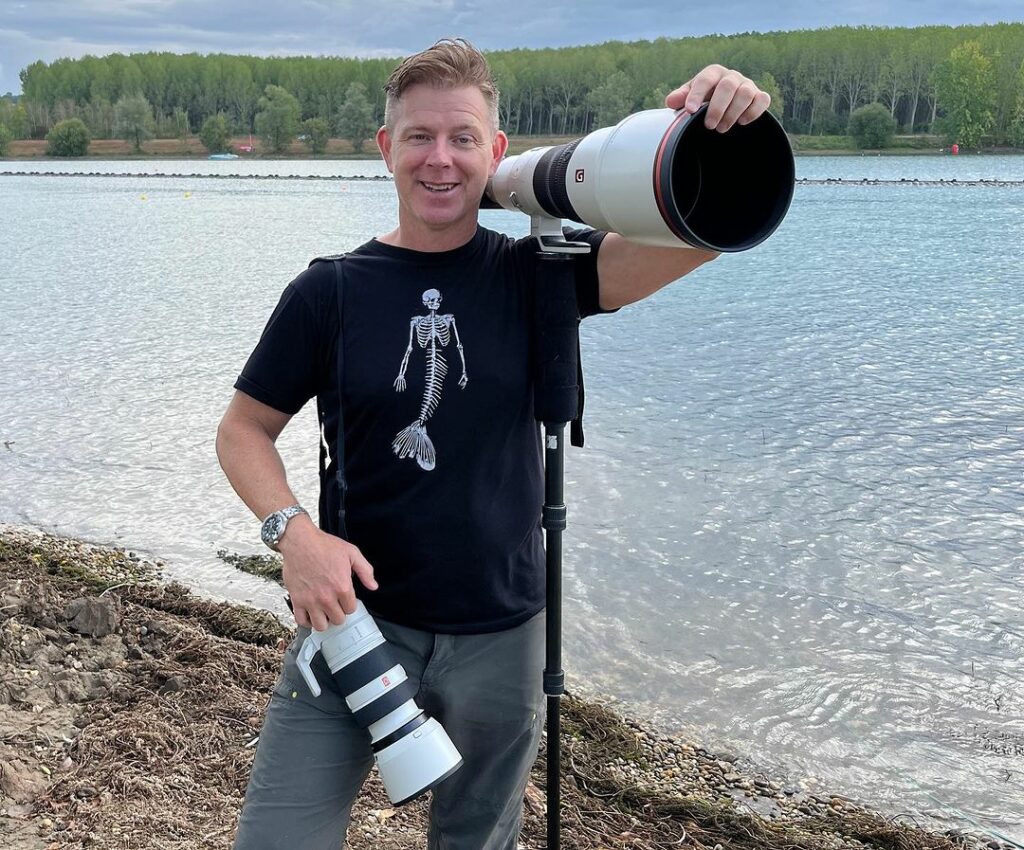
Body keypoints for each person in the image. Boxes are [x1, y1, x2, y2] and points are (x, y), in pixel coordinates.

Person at [217, 37, 771, 850]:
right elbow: (243, 430)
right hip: (352, 623)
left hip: (506, 639)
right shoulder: (328, 291)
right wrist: (292, 535)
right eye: (419, 137)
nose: (440, 159)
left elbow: (697, 236)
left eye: (462, 138)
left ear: (497, 152)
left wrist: (724, 131)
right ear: (386, 149)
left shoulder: (537, 274)